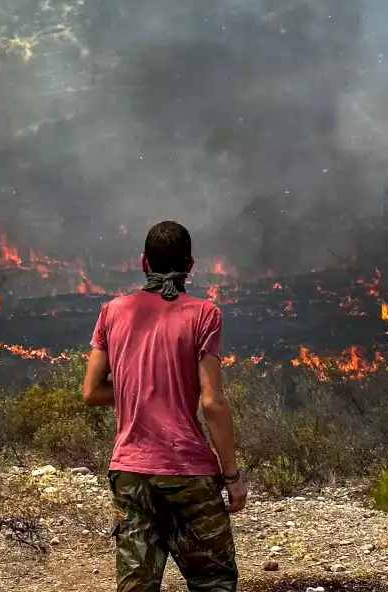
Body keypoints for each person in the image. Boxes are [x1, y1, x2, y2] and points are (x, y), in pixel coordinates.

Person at [83, 220, 246, 592]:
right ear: (190, 266)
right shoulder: (205, 314)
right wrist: (232, 477)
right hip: (187, 470)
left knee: (136, 585)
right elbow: (212, 402)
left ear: (143, 262)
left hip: (130, 471)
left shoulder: (112, 311)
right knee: (213, 581)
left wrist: (137, 388)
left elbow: (91, 392)